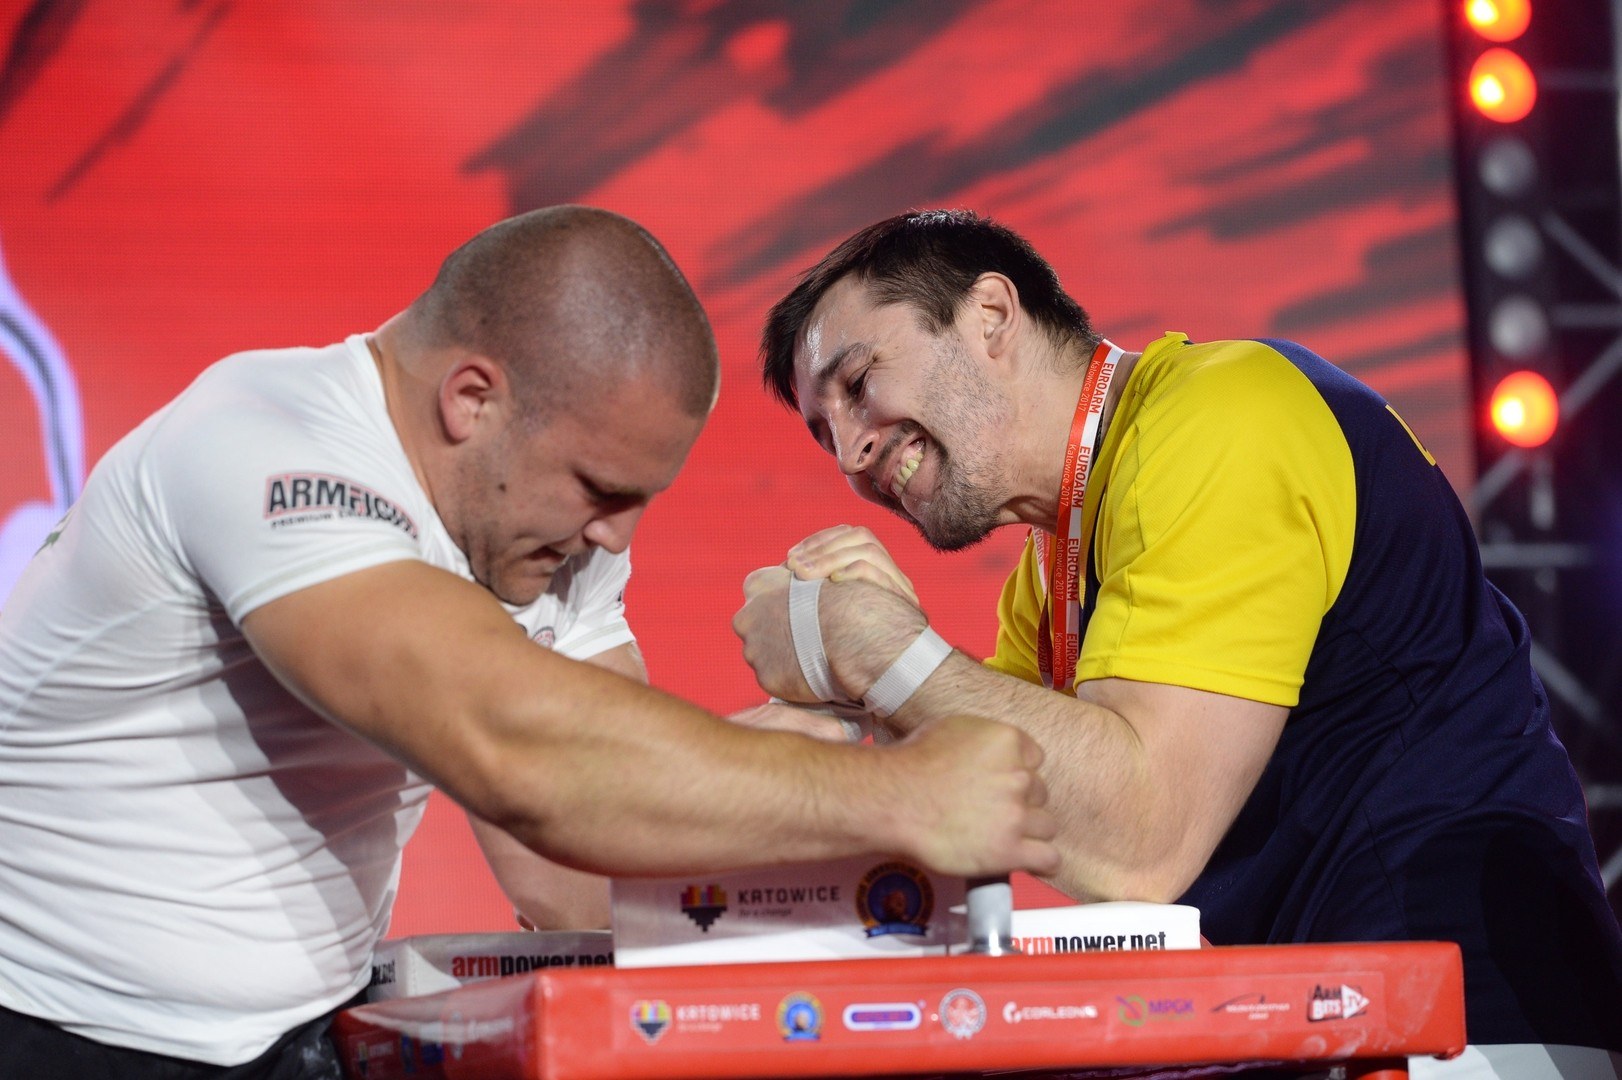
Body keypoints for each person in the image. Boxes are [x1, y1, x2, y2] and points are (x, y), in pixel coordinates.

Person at [0, 206, 1059, 1079]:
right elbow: (523, 751)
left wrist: (841, 742)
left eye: (638, 502)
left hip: (288, 1044)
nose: (614, 540)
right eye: (600, 492)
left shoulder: (538, 530)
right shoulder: (265, 443)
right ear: (472, 400)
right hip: (52, 1033)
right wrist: (905, 798)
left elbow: (580, 871)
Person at [735, 208, 1622, 1069]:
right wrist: (789, 725)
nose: (850, 451)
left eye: (857, 385)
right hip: (1335, 1027)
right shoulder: (1050, 573)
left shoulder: (1224, 417)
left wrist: (873, 645)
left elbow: (1139, 839)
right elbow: (957, 782)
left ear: (991, 316)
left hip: (1468, 1030)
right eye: (825, 436)